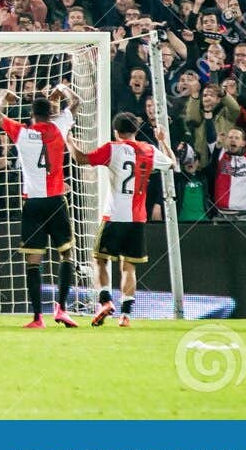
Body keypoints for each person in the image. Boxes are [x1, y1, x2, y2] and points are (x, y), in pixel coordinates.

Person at [66, 114, 175, 327]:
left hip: (114, 216)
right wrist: (162, 140)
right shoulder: (149, 150)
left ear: (116, 131)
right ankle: (125, 315)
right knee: (129, 267)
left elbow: (80, 158)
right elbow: (171, 164)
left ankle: (105, 302)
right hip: (137, 220)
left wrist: (69, 140)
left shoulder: (112, 148)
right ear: (135, 130)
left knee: (99, 260)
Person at [0, 90, 78, 328]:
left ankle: (38, 318)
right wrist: (62, 89)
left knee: (33, 261)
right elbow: (76, 102)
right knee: (66, 254)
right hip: (56, 201)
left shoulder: (22, 133)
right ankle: (62, 309)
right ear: (51, 113)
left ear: (31, 115)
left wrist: (2, 95)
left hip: (33, 204)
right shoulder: (59, 127)